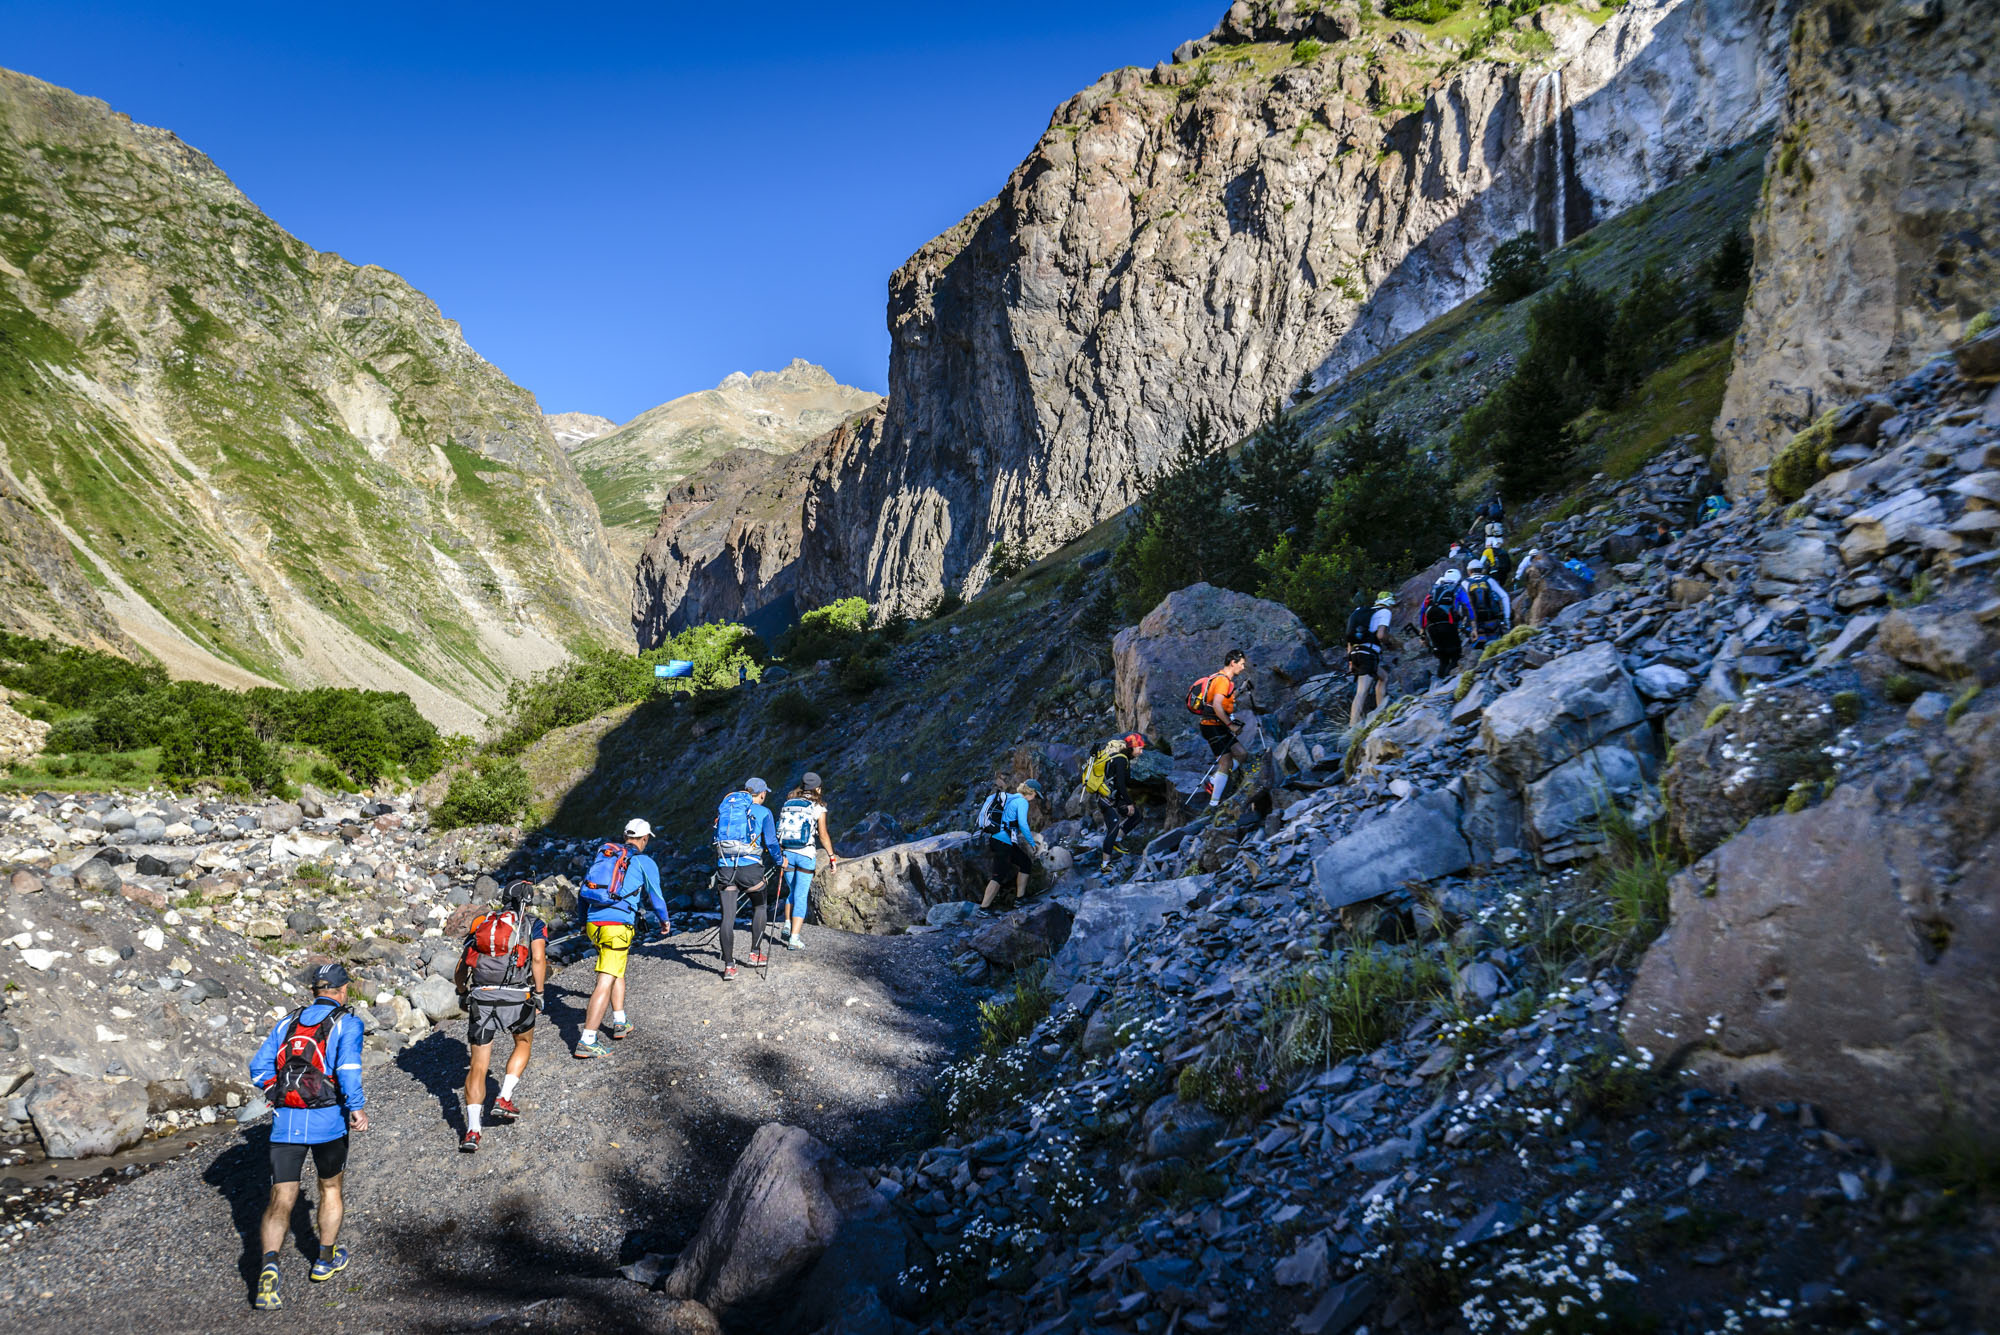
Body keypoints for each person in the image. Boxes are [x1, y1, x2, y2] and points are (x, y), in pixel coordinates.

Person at [246, 962, 368, 1311]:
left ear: (314, 991)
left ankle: (268, 1268)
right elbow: (347, 1070)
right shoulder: (347, 1022)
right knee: (329, 1188)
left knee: (281, 1197)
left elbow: (259, 1067)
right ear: (343, 990)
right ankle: (324, 1259)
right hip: (328, 1122)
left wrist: (275, 1093)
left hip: (286, 1122)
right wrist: (356, 1108)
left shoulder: (288, 1022)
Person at [453, 879, 548, 1153]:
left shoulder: (484, 922)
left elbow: (462, 965)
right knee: (523, 1042)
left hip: (482, 997)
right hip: (517, 996)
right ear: (527, 901)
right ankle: (503, 1097)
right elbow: (539, 959)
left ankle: (472, 1130)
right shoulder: (531, 923)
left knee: (478, 1065)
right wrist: (539, 992)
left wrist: (462, 991)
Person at [574, 819, 671, 1059]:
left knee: (617, 969)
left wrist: (582, 921)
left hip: (594, 924)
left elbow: (584, 891)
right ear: (645, 838)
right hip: (616, 927)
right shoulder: (644, 862)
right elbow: (656, 896)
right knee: (605, 980)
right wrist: (664, 920)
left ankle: (620, 1021)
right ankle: (587, 1039)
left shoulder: (607, 857)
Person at [714, 778, 783, 980]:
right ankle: (755, 953)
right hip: (751, 869)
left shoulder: (727, 810)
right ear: (762, 794)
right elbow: (771, 842)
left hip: (726, 868)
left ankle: (728, 966)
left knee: (728, 917)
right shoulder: (764, 812)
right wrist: (780, 861)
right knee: (760, 907)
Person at [776, 773, 838, 951]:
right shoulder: (818, 806)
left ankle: (787, 924)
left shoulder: (788, 803)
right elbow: (823, 835)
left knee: (792, 891)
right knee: (801, 895)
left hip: (787, 853)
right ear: (818, 788)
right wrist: (831, 857)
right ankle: (794, 939)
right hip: (805, 854)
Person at [1187, 650, 1252, 812]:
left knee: (1242, 754)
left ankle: (1215, 779)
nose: (1243, 667)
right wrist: (1230, 725)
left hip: (1216, 725)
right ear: (1233, 663)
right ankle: (1214, 804)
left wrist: (1241, 690)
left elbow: (1225, 698)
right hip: (1212, 725)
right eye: (1242, 664)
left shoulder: (1219, 678)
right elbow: (1217, 705)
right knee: (1225, 762)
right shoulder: (1222, 680)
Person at [1083, 734, 1146, 873]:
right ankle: (1105, 865)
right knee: (1114, 825)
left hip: (1113, 797)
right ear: (1132, 747)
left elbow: (1124, 782)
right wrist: (1129, 803)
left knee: (1136, 816)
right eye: (1139, 748)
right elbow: (1121, 784)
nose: (1141, 752)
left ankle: (1117, 840)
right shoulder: (1121, 760)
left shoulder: (1122, 759)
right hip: (1107, 799)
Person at [977, 778, 1044, 910]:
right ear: (1031, 792)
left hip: (998, 839)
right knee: (998, 875)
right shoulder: (1022, 802)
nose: (1035, 798)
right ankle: (983, 909)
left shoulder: (1009, 798)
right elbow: (1023, 825)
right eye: (1036, 795)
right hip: (1003, 841)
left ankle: (1020, 899)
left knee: (1025, 862)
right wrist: (1032, 843)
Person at [1346, 592, 1397, 727]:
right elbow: (1381, 635)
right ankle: (1352, 726)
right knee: (1362, 691)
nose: (1392, 608)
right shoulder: (1385, 612)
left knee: (1384, 677)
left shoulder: (1364, 613)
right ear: (1389, 603)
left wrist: (1351, 661)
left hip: (1356, 652)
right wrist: (1389, 644)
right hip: (1368, 653)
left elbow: (1350, 639)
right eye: (1392, 605)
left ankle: (1381, 712)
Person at [1419, 569, 1474, 680]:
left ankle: (1438, 684)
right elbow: (1468, 605)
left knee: (1443, 660)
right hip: (1448, 626)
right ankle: (1448, 684)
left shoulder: (1433, 591)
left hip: (1432, 627)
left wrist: (1422, 631)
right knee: (1455, 656)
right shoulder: (1457, 590)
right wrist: (1473, 624)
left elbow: (1422, 611)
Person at [1463, 559, 1512, 649]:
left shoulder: (1465, 583)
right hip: (1491, 618)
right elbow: (1504, 596)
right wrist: (1506, 618)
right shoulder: (1489, 580)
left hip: (1475, 622)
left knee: (1478, 647)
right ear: (1482, 570)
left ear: (1469, 571)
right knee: (1495, 645)